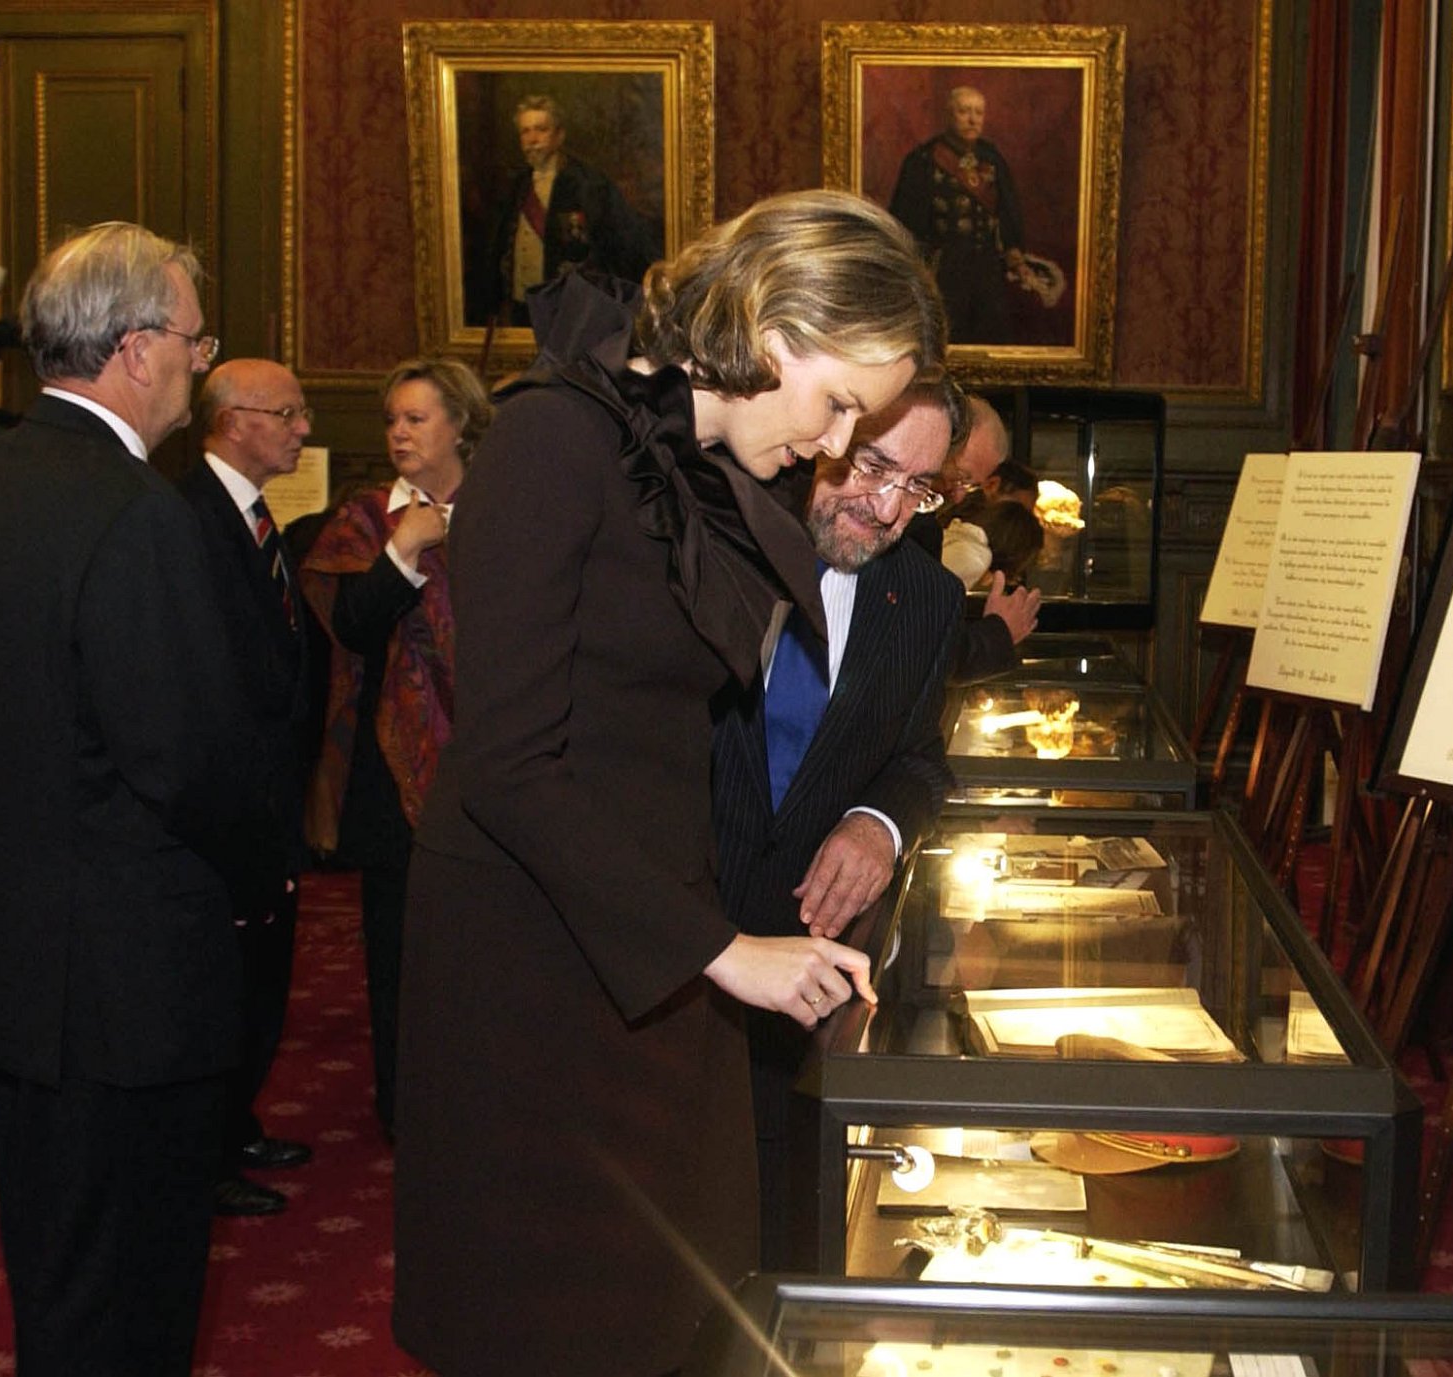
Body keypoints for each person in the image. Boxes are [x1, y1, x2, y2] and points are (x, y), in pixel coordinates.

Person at [394, 188, 946, 1377]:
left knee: (664, 1296)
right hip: (533, 945)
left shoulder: (701, 463)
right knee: (553, 1311)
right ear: (771, 327)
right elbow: (508, 764)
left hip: (648, 926)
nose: (840, 443)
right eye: (839, 400)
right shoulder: (554, 439)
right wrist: (721, 950)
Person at [0, 221, 269, 1375]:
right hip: (130, 990)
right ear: (135, 350)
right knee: (131, 1304)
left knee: (60, 1291)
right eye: (192, 338)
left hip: (20, 965)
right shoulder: (138, 513)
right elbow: (194, 763)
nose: (199, 360)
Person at [711, 382, 965, 1272]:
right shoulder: (712, 546)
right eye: (874, 466)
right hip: (664, 959)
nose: (889, 507)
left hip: (805, 972)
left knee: (783, 1233)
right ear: (821, 434)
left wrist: (877, 822)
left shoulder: (927, 597)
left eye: (920, 488)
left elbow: (923, 758)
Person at [300, 356, 490, 1141]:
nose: (400, 433)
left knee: (485, 943)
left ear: (461, 427)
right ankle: (406, 1107)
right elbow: (348, 627)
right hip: (393, 769)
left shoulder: (505, 507)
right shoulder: (368, 516)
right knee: (400, 947)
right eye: (391, 421)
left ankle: (486, 1092)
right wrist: (402, 552)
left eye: (416, 418)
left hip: (490, 760)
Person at [179, 359, 317, 1217]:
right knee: (225, 980)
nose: (305, 428)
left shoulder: (258, 514)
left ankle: (236, 1123)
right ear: (234, 421)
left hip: (273, 791)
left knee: (266, 972)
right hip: (230, 794)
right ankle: (208, 1152)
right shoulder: (188, 514)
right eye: (289, 413)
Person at [484, 94, 661, 325]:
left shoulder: (588, 185)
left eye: (541, 130)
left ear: (559, 136)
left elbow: (618, 245)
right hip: (522, 307)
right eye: (525, 132)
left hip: (570, 308)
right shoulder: (515, 187)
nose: (532, 139)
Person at [906, 395, 1040, 683]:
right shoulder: (908, 520)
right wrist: (998, 632)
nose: (958, 495)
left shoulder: (923, 521)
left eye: (969, 485)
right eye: (959, 476)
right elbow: (916, 652)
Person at [888, 85, 1027, 344]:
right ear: (948, 115)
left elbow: (1009, 209)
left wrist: (1013, 250)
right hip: (945, 267)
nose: (973, 119)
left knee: (992, 333)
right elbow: (905, 222)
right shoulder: (923, 160)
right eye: (964, 112)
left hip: (987, 265)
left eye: (978, 113)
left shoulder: (992, 157)